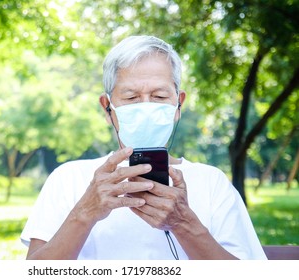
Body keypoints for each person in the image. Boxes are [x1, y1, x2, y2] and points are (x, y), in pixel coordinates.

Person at [21, 35, 267, 260]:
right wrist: (85, 212)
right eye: (131, 97)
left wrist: (184, 223)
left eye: (159, 96)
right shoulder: (69, 179)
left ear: (178, 105)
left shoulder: (213, 183)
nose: (146, 107)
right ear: (107, 108)